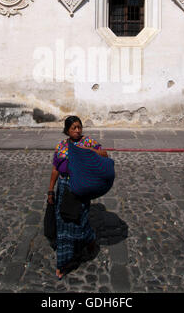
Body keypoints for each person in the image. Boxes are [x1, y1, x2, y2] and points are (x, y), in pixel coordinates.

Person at [47, 115, 108, 279]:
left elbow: (105, 154)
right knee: (64, 223)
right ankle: (63, 262)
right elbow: (55, 169)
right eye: (73, 128)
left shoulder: (87, 143)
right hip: (64, 190)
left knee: (80, 220)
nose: (77, 130)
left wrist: (90, 151)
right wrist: (51, 190)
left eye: (79, 127)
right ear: (67, 130)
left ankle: (89, 240)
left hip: (81, 190)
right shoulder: (61, 147)